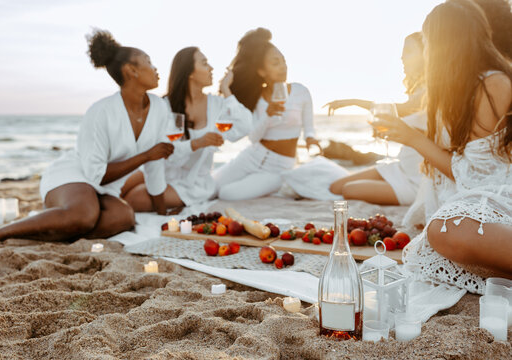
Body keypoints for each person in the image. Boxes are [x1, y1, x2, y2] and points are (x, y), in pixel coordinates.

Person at [0, 30, 174, 245]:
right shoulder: (100, 111)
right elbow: (97, 174)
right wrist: (146, 156)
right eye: (149, 62)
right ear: (131, 70)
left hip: (106, 189)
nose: (155, 69)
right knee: (84, 216)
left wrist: (162, 214)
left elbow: (155, 164)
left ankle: (55, 223)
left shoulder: (160, 108)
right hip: (75, 175)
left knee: (123, 217)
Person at [373, 0, 512, 292]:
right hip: (480, 197)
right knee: (437, 231)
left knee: (444, 230)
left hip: (501, 192)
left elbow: (485, 175)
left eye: (427, 43)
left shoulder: (493, 84)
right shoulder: (454, 91)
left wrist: (413, 138)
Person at [122, 47, 252, 210]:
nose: (211, 68)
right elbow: (164, 152)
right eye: (205, 64)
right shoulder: (165, 105)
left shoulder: (217, 104)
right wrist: (196, 143)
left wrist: (227, 90)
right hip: (162, 170)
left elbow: (246, 126)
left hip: (193, 183)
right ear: (190, 72)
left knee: (134, 197)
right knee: (119, 187)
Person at [213, 28, 320, 200]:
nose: (283, 67)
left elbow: (309, 127)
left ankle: (275, 187)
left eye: (283, 61)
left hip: (279, 168)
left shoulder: (301, 91)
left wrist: (311, 140)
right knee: (210, 187)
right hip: (252, 157)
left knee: (226, 194)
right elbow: (253, 137)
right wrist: (268, 115)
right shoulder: (257, 99)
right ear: (261, 71)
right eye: (275, 63)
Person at [328, 32, 427, 205]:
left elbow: (396, 110)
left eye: (409, 51)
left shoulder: (430, 92)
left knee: (348, 190)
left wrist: (353, 102)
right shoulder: (417, 90)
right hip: (402, 166)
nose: (402, 57)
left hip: (418, 179)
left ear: (426, 54)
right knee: (335, 187)